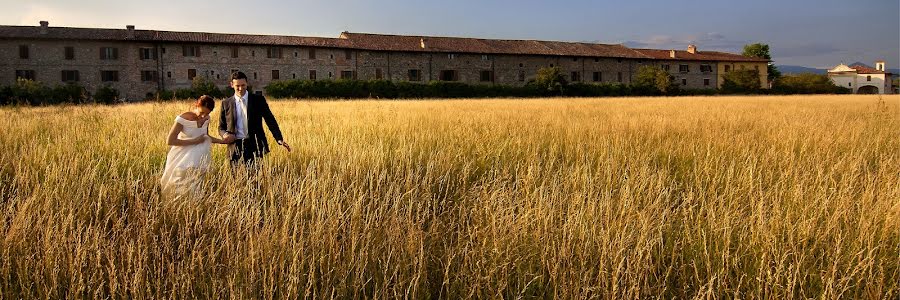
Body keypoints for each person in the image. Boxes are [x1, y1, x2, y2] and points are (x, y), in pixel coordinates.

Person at [160, 95, 229, 199]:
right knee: (178, 183)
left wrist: (221, 141)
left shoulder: (206, 119)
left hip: (198, 157)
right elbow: (170, 141)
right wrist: (195, 141)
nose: (203, 116)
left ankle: (193, 208)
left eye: (207, 113)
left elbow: (205, 136)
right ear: (196, 106)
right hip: (181, 156)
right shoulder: (183, 118)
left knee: (195, 186)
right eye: (201, 112)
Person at [219, 71, 291, 168]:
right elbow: (221, 126)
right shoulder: (226, 103)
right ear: (232, 85)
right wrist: (225, 134)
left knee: (256, 179)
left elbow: (270, 120)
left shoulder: (258, 100)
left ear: (247, 83)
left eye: (243, 85)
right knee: (235, 180)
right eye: (237, 86)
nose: (240, 88)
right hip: (234, 147)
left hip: (254, 145)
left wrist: (279, 138)